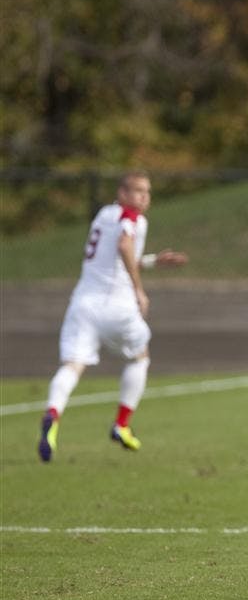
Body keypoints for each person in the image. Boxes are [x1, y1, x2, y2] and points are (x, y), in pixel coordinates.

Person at [37, 170, 188, 463]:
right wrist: (139, 291)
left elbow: (116, 259)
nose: (144, 197)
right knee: (139, 357)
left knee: (72, 366)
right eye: (138, 191)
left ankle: (53, 414)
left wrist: (154, 261)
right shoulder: (130, 217)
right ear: (122, 194)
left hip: (83, 304)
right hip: (117, 307)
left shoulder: (104, 215)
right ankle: (122, 424)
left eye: (147, 192)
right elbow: (124, 246)